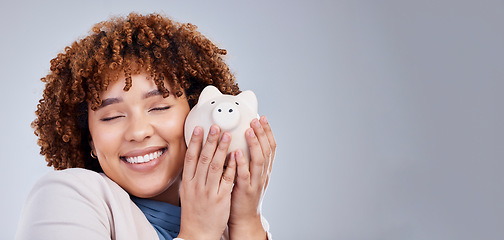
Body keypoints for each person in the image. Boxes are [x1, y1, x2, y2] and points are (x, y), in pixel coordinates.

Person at [16, 12, 275, 240]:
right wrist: (198, 234)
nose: (139, 132)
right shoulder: (66, 196)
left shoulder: (233, 221)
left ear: (196, 111)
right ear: (90, 139)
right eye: (111, 116)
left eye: (159, 108)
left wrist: (247, 222)